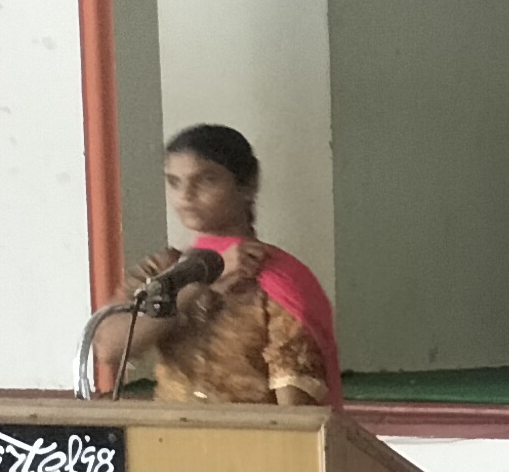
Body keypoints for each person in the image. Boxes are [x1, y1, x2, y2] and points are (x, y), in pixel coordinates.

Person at [94, 124, 340, 403]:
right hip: (168, 429)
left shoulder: (279, 281)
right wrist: (199, 282)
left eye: (206, 180)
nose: (185, 195)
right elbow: (108, 348)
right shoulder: (162, 269)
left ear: (248, 185)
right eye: (174, 182)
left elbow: (295, 413)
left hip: (252, 431)